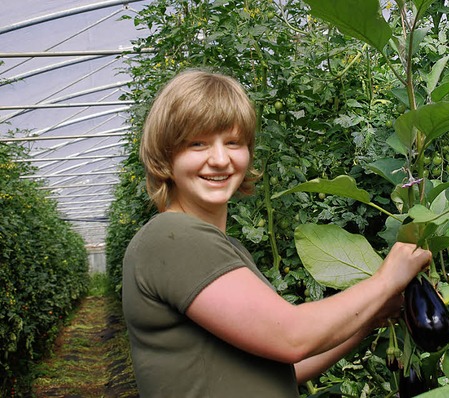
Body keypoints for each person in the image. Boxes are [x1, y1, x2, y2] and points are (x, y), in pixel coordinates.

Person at [122, 68, 432, 397]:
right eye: (197, 144)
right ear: (166, 155)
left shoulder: (224, 248)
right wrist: (385, 280)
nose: (219, 159)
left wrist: (371, 317)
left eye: (233, 142)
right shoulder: (172, 237)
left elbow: (284, 367)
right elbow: (291, 338)